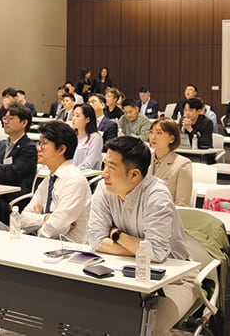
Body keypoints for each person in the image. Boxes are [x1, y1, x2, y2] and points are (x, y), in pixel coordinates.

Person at [88, 136, 194, 336]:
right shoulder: (104, 188)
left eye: (111, 167)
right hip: (122, 271)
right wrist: (137, 249)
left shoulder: (157, 196)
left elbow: (156, 254)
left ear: (134, 174)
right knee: (86, 318)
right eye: (104, 165)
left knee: (144, 330)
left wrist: (116, 235)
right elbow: (94, 239)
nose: (104, 173)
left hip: (173, 279)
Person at [0, 120, 89, 242]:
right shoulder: (50, 179)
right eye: (39, 143)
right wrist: (45, 218)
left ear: (61, 149)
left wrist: (36, 227)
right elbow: (23, 218)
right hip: (37, 238)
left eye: (44, 144)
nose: (38, 148)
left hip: (61, 246)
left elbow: (55, 228)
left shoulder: (74, 180)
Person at [0, 104, 37, 216]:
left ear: (24, 123)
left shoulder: (28, 147)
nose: (5, 122)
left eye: (11, 119)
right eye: (5, 118)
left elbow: (13, 173)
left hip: (13, 197)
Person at [147, 119, 193, 206]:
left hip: (167, 216)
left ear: (171, 139)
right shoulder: (145, 158)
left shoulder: (182, 164)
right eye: (151, 132)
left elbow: (182, 203)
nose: (153, 137)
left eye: (159, 133)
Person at [71, 104, 104, 170]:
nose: (73, 119)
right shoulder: (72, 136)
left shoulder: (95, 138)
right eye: (73, 115)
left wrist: (71, 171)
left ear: (87, 119)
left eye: (77, 116)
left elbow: (89, 164)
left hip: (87, 176)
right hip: (69, 174)